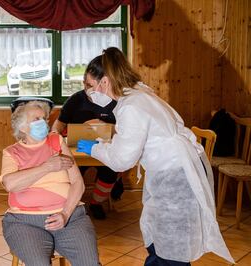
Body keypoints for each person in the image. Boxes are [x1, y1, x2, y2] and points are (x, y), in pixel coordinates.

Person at [76, 47, 234, 265]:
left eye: (90, 86)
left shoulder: (130, 106)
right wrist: (106, 143)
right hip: (178, 168)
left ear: (105, 81)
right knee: (159, 235)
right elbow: (138, 138)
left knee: (170, 246)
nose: (89, 92)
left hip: (175, 174)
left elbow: (122, 160)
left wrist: (95, 148)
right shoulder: (139, 95)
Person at [0, 99, 99, 266]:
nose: (43, 123)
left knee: (89, 262)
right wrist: (47, 167)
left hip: (69, 217)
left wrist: (66, 214)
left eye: (44, 119)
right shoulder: (12, 152)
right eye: (36, 119)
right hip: (24, 221)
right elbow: (10, 184)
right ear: (23, 127)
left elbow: (78, 183)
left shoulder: (56, 141)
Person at [52, 55, 124, 220]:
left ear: (104, 83)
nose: (86, 88)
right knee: (70, 172)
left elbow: (126, 132)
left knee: (110, 172)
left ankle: (96, 204)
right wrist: (54, 135)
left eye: (90, 85)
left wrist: (102, 126)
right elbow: (59, 123)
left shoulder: (118, 102)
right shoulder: (76, 99)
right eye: (85, 84)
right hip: (77, 149)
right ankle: (73, 205)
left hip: (106, 149)